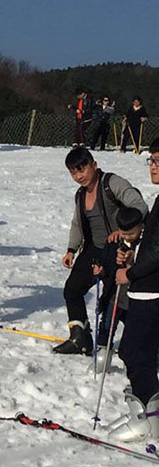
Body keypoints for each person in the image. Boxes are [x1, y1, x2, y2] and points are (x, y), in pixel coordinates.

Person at [54, 147, 147, 355]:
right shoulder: (80, 195)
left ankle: (145, 343)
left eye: (82, 169)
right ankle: (80, 338)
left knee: (118, 303)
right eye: (73, 172)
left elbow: (139, 206)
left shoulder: (112, 184)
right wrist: (71, 249)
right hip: (94, 251)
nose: (78, 176)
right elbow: (77, 224)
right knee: (72, 290)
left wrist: (123, 232)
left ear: (93, 165)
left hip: (118, 251)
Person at [106, 139, 159, 441]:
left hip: (150, 290)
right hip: (146, 286)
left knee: (134, 351)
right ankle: (149, 416)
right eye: (150, 160)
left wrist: (131, 271)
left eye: (157, 160)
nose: (152, 166)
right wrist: (132, 252)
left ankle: (145, 420)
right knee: (141, 352)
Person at [89, 208, 140, 373]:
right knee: (107, 325)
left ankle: (134, 362)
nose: (127, 237)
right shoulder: (113, 243)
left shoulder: (146, 244)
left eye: (131, 234)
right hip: (115, 296)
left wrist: (130, 263)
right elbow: (108, 267)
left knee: (135, 330)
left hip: (136, 298)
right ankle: (103, 357)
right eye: (124, 233)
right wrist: (101, 270)